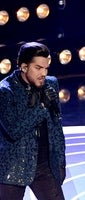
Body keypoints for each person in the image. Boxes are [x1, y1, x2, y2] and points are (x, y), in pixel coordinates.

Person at [0, 42, 66, 200]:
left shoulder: (50, 84)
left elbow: (56, 126)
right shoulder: (5, 91)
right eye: (38, 68)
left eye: (46, 68)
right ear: (23, 67)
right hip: (13, 166)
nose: (43, 73)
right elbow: (14, 130)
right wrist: (42, 106)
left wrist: (61, 160)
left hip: (44, 166)